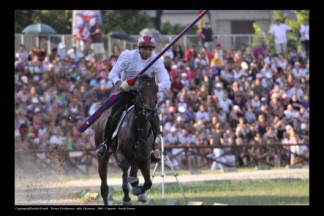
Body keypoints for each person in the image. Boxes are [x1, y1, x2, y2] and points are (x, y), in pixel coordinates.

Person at [96, 35, 171, 163]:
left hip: (145, 95)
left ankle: (152, 149)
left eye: (150, 49)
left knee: (154, 117)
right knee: (114, 113)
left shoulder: (156, 60)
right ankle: (106, 143)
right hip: (127, 91)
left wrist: (153, 87)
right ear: (139, 48)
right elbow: (112, 73)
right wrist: (118, 83)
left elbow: (167, 82)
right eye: (145, 49)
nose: (147, 52)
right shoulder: (128, 56)